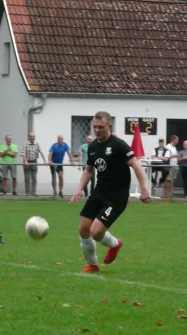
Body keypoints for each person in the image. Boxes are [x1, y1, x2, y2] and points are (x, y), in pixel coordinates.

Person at [70, 111, 151, 273]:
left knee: (96, 232)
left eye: (101, 127)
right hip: (99, 192)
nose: (97, 130)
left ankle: (115, 244)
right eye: (95, 127)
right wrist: (79, 189)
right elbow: (88, 170)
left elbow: (136, 165)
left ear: (110, 126)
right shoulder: (92, 147)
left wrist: (144, 190)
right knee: (83, 229)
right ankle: (92, 265)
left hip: (116, 197)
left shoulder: (119, 145)